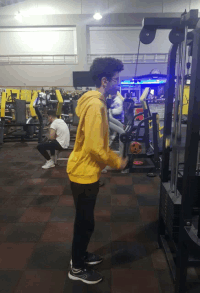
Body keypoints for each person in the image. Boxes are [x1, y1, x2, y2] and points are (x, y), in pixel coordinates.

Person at [66, 57, 128, 284]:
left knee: (86, 221)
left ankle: (80, 256)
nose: (118, 83)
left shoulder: (95, 102)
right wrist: (117, 161)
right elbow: (94, 147)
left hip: (86, 171)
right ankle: (77, 268)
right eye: (116, 79)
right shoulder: (96, 105)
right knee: (84, 223)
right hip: (83, 173)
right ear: (105, 80)